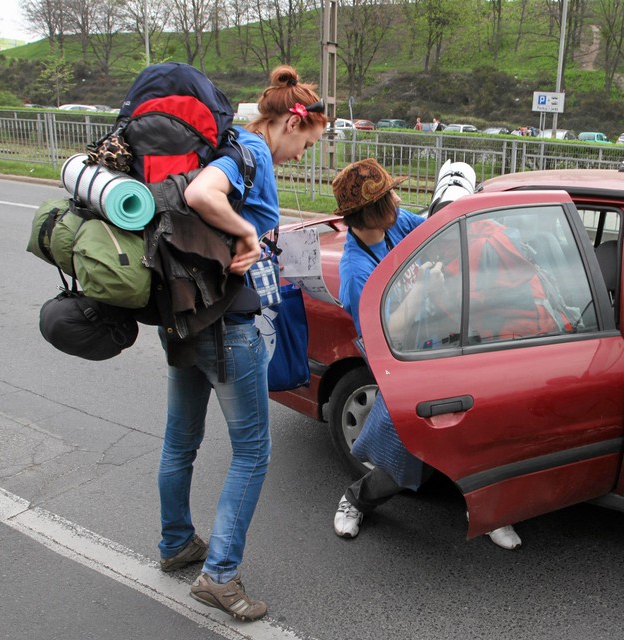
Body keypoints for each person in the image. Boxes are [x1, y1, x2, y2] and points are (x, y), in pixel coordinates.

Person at [157, 65, 326, 622]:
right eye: (307, 141)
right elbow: (207, 195)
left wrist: (253, 231)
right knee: (253, 452)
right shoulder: (250, 151)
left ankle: (177, 543)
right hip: (230, 327)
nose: (303, 154)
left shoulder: (233, 147)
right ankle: (220, 575)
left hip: (187, 316)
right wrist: (250, 232)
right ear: (287, 123)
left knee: (181, 441)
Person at [331, 158, 522, 550]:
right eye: (390, 195)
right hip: (402, 365)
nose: (399, 199)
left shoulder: (395, 224)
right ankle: (355, 499)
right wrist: (423, 288)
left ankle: (488, 512)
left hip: (442, 345)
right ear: (372, 212)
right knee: (402, 454)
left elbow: (443, 234)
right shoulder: (355, 271)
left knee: (478, 435)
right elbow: (387, 332)